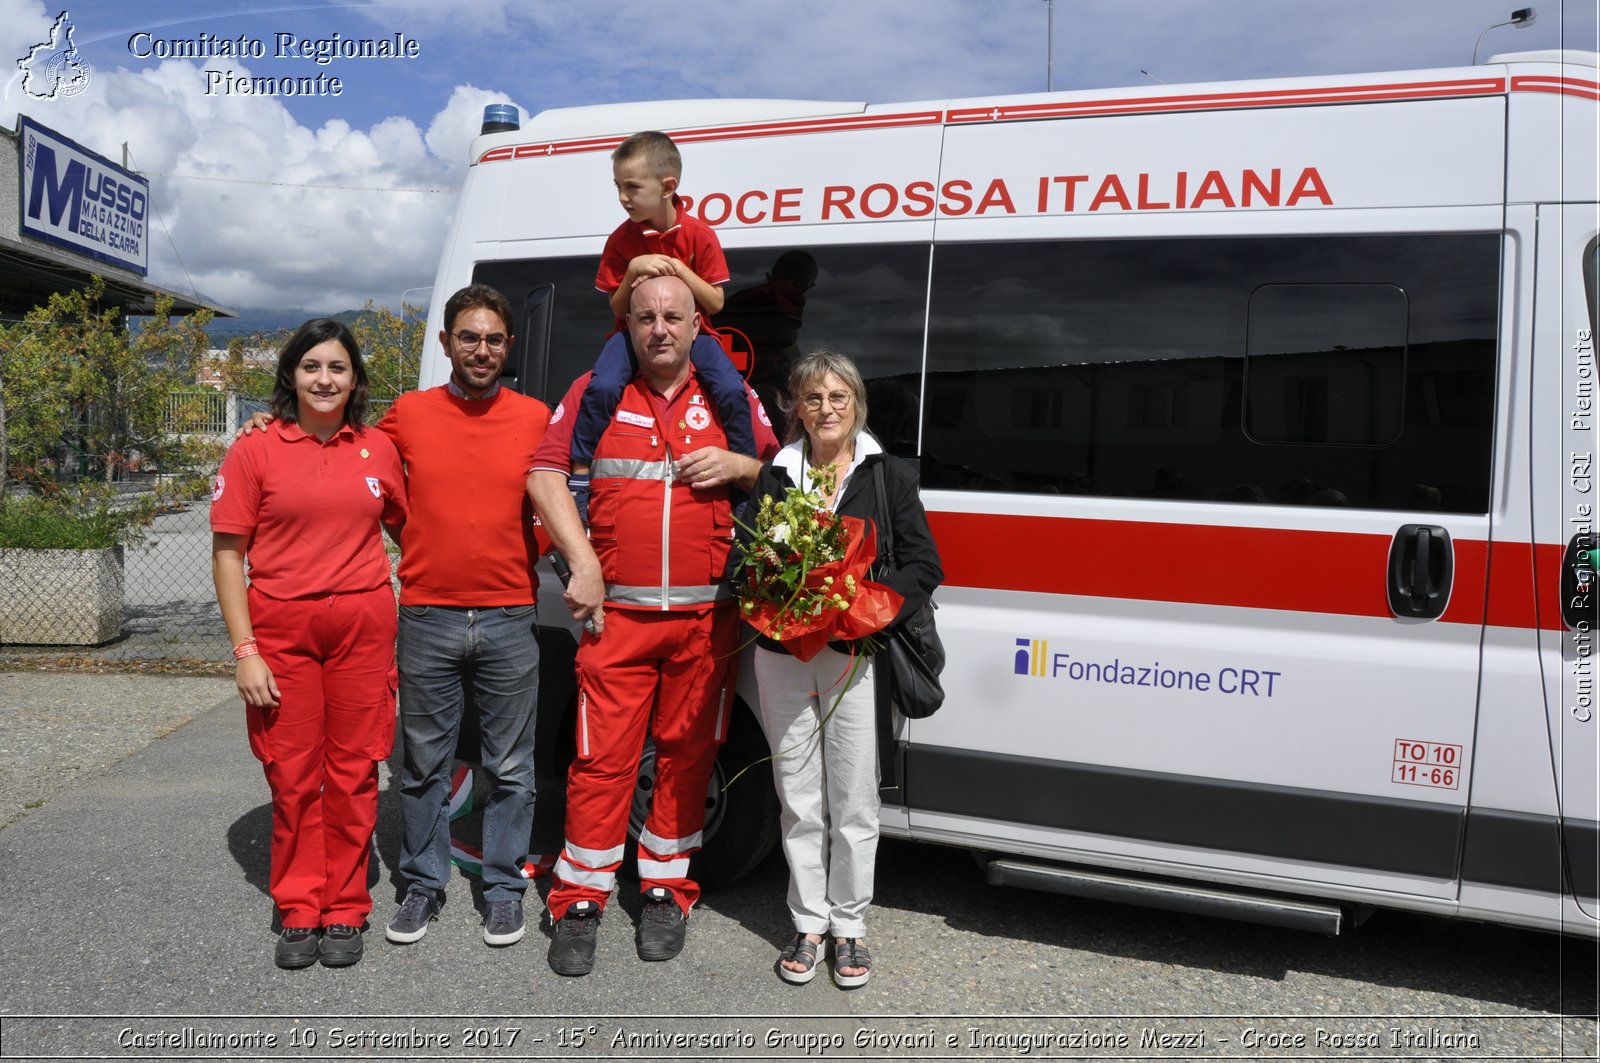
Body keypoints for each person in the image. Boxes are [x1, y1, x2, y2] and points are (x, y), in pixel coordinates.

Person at [236, 284, 550, 950]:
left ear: (509, 347)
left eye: (494, 338)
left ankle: (501, 890)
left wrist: (536, 547)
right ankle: (422, 885)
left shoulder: (534, 416)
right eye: (469, 336)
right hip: (428, 614)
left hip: (508, 614)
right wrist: (266, 421)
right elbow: (339, 450)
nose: (482, 349)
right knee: (422, 765)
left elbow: (557, 495)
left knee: (513, 768)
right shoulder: (404, 416)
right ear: (446, 344)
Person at [528, 274, 779, 977]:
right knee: (600, 763)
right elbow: (545, 476)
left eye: (674, 315)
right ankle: (579, 898)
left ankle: (667, 888)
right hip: (619, 619)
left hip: (707, 619)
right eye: (646, 317)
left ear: (699, 324)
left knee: (687, 758)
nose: (660, 328)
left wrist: (739, 464)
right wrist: (580, 561)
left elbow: (784, 478)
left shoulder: (730, 400)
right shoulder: (595, 391)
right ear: (628, 327)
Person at [733, 350, 942, 989]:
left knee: (853, 798)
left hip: (855, 654)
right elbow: (742, 563)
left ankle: (850, 926)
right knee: (798, 797)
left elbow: (923, 565)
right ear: (795, 406)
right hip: (783, 657)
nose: (825, 409)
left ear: (857, 406)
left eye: (838, 397)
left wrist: (862, 602)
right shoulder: (777, 475)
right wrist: (775, 590)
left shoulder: (889, 476)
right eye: (812, 397)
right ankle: (809, 920)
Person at [211, 319, 406, 970]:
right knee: (293, 776)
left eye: (338, 368)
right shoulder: (256, 448)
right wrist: (245, 651)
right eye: (312, 366)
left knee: (354, 772)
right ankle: (299, 905)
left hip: (362, 628)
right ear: (292, 375)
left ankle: (346, 904)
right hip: (282, 631)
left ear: (355, 380)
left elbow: (414, 530)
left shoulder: (378, 448)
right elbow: (228, 552)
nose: (325, 379)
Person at [566, 130, 756, 524]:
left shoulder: (699, 235)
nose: (623, 196)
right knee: (601, 386)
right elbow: (616, 308)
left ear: (668, 187)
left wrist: (684, 272)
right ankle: (581, 472)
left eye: (632, 187)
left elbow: (717, 303)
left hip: (697, 337)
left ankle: (743, 476)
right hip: (629, 336)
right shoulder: (621, 240)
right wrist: (634, 269)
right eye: (618, 186)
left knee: (730, 388)